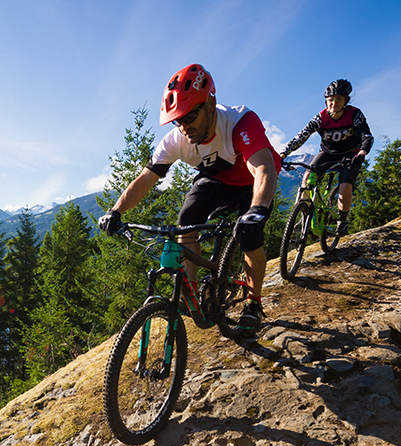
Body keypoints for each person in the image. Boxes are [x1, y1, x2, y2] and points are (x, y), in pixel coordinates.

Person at [97, 64, 281, 334]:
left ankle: (253, 303)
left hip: (252, 183)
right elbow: (146, 178)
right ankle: (193, 295)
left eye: (190, 117)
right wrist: (116, 211)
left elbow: (263, 167)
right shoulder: (175, 141)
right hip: (216, 179)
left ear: (210, 104)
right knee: (185, 222)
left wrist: (258, 210)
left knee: (249, 236)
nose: (184, 127)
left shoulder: (239, 121)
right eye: (177, 120)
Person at [278, 79, 373, 233]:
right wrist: (284, 153)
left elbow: (367, 136)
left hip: (350, 155)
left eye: (338, 99)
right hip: (327, 153)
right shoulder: (321, 118)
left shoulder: (354, 114)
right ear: (326, 101)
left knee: (345, 184)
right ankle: (303, 215)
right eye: (330, 100)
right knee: (307, 178)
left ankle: (342, 220)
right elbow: (302, 136)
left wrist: (362, 152)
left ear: (345, 101)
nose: (333, 103)